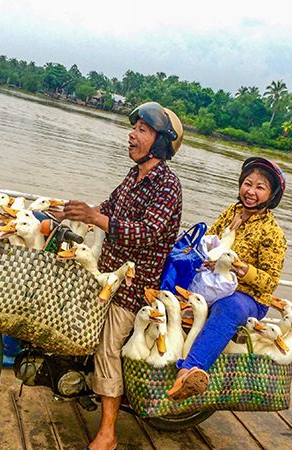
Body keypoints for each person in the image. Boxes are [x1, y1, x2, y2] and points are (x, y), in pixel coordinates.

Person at [50, 102, 183, 450]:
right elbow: (107, 209)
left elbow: (147, 232)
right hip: (108, 272)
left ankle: (108, 433)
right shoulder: (133, 175)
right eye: (134, 127)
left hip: (134, 286)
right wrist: (69, 212)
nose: (132, 134)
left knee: (108, 345)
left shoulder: (168, 185)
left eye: (142, 129)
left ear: (159, 142)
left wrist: (96, 219)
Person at [167, 156, 287, 401]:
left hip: (248, 296)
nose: (250, 191)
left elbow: (270, 282)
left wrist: (243, 269)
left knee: (227, 308)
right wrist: (212, 250)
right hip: (214, 281)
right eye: (247, 183)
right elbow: (209, 240)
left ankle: (188, 370)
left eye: (260, 187)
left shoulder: (273, 233)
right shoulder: (231, 212)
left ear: (271, 195)